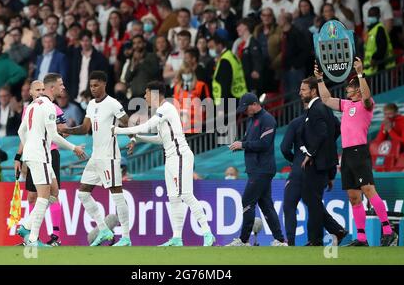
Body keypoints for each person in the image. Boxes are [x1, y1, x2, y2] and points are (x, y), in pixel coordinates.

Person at [113, 81, 215, 246]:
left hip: (181, 155)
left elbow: (147, 126)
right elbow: (160, 139)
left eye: (146, 93)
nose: (145, 97)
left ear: (155, 94)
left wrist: (119, 130)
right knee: (173, 197)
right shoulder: (161, 112)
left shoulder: (166, 108)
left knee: (186, 194)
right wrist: (137, 137)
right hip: (170, 158)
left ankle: (207, 233)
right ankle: (176, 238)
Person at [316, 57, 398, 246]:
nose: (347, 91)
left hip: (360, 153)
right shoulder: (346, 105)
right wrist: (320, 80)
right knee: (354, 197)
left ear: (358, 89)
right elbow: (326, 99)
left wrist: (360, 73)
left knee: (368, 190)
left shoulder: (366, 105)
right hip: (346, 154)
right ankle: (361, 238)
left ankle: (388, 230)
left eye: (350, 88)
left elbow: (367, 96)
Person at [61, 71, 132, 247]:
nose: (93, 89)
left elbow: (127, 121)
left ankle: (126, 237)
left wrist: (133, 139)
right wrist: (66, 130)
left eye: (96, 85)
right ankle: (104, 230)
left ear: (104, 84)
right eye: (91, 85)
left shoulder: (113, 103)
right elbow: (85, 128)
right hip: (96, 156)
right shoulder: (91, 104)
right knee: (83, 193)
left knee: (117, 195)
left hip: (109, 156)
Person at [16, 74, 86, 247]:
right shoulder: (49, 107)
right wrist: (74, 148)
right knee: (43, 196)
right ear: (52, 88)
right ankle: (32, 239)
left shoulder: (32, 105)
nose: (63, 88)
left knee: (53, 192)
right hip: (41, 155)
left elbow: (20, 131)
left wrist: (29, 145)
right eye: (60, 85)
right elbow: (54, 134)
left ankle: (26, 226)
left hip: (35, 154)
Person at [281, 101, 348, 246]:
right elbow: (331, 148)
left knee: (290, 204)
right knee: (314, 204)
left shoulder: (296, 123)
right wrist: (330, 176)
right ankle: (336, 230)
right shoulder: (329, 128)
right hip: (321, 169)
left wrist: (295, 161)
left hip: (301, 169)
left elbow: (284, 148)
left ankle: (291, 242)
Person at [227, 93, 286, 246]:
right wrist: (239, 144)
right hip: (257, 168)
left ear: (254, 104)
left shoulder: (268, 119)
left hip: (262, 168)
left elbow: (264, 144)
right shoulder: (253, 119)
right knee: (266, 205)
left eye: (246, 108)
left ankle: (244, 240)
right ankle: (279, 240)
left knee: (247, 200)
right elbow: (249, 141)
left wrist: (243, 145)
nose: (245, 111)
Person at [15, 79, 68, 246]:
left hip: (50, 153)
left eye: (42, 89)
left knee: (51, 193)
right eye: (37, 89)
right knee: (33, 196)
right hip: (36, 154)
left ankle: (54, 235)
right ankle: (31, 235)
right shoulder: (29, 109)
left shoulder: (53, 107)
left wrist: (57, 135)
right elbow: (25, 133)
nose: (39, 92)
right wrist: (18, 155)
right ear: (30, 92)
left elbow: (63, 130)